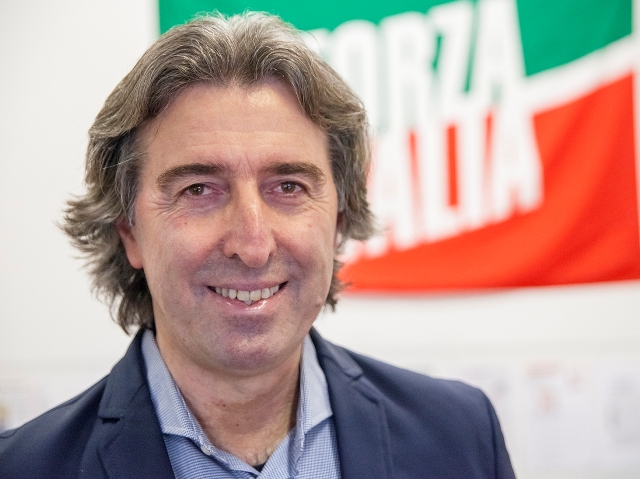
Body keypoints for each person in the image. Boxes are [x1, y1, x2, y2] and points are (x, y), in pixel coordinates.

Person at [0, 12, 515, 479]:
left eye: (288, 186)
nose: (253, 244)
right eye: (198, 190)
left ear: (338, 220)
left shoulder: (460, 437)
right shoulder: (24, 467)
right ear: (129, 231)